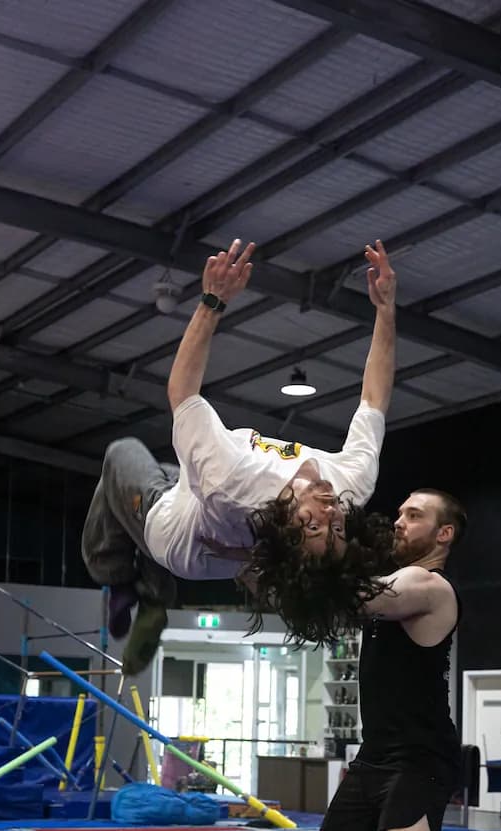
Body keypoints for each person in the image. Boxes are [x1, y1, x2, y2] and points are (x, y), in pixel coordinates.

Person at [81, 237, 397, 674]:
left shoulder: (233, 480)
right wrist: (385, 312)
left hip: (175, 538)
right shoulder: (352, 486)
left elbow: (182, 392)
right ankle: (151, 585)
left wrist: (212, 300)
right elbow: (374, 401)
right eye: (339, 523)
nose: (328, 508)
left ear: (286, 524)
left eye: (312, 523)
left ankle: (119, 579)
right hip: (209, 511)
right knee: (182, 468)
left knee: (122, 457)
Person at [301, 489, 501, 831]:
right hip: (376, 756)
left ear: (443, 535)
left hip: (421, 758)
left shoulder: (428, 586)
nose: (399, 521)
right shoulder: (395, 582)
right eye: (399, 512)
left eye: (413, 516)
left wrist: (328, 535)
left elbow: (362, 595)